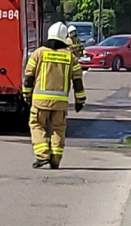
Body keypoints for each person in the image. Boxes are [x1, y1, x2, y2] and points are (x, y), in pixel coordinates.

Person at [23, 22, 86, 170]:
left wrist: (27, 94)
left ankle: (42, 155)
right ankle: (55, 160)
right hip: (60, 104)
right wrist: (80, 100)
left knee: (37, 125)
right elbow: (78, 81)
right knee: (58, 128)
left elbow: (28, 76)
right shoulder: (70, 57)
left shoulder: (39, 53)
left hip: (40, 102)